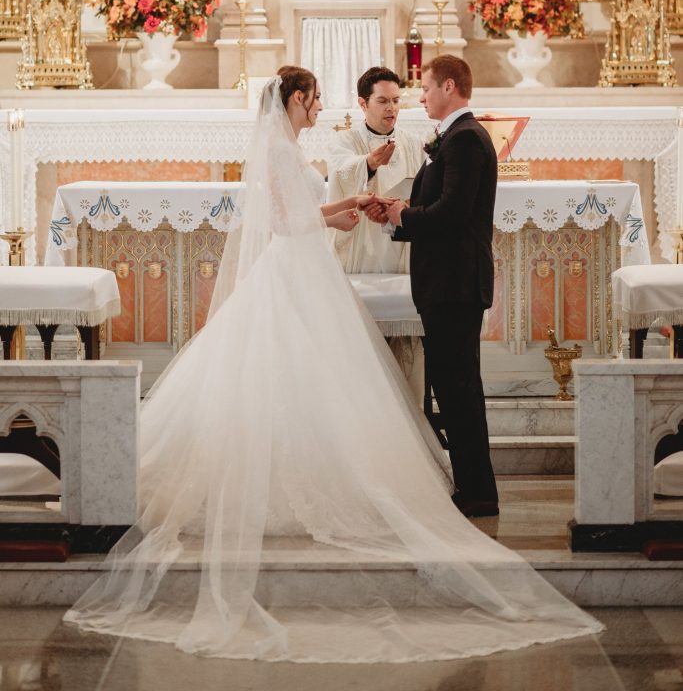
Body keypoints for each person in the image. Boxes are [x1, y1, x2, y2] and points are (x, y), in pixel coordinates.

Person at [64, 66, 601, 662]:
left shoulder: (296, 145)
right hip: (293, 268)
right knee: (292, 371)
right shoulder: (277, 149)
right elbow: (282, 220)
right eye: (316, 97)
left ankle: (461, 487)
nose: (322, 106)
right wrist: (346, 212)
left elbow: (309, 211)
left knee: (316, 376)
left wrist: (349, 208)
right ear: (295, 100)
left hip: (314, 266)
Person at [369, 55, 499, 518]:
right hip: (450, 282)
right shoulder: (458, 138)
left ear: (449, 86)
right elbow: (439, 206)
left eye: (425, 88)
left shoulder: (464, 140)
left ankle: (478, 491)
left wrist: (404, 215)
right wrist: (395, 217)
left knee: (458, 387)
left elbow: (452, 214)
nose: (420, 97)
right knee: (454, 385)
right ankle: (473, 486)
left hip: (455, 283)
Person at [327, 66, 423, 274]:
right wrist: (369, 163)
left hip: (403, 236)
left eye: (395, 100)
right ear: (363, 103)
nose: (391, 108)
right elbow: (340, 172)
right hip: (363, 240)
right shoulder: (346, 140)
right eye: (382, 101)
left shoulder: (413, 143)